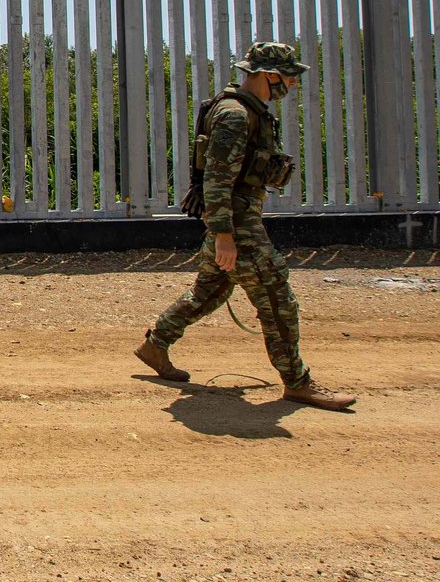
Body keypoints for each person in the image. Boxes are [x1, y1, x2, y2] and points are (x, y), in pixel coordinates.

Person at [134, 41, 356, 411]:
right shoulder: (236, 115)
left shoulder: (245, 109)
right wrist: (224, 235)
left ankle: (155, 345)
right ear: (269, 76)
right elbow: (217, 180)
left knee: (210, 291)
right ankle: (298, 383)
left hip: (237, 218)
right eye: (288, 77)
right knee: (277, 298)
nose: (292, 84)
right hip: (237, 224)